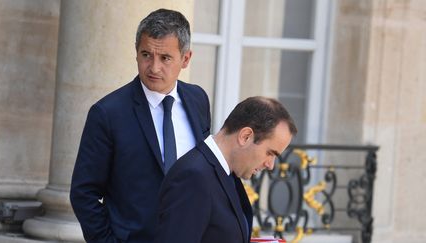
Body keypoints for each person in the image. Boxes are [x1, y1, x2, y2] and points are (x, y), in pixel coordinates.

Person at [70, 9, 211, 243]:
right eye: (146, 55)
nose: (154, 68)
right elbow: (83, 193)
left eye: (165, 58)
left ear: (185, 59)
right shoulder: (107, 113)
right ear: (136, 52)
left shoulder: (198, 100)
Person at [154, 96, 298, 243]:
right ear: (246, 136)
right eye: (270, 153)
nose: (270, 165)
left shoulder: (226, 172)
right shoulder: (194, 177)